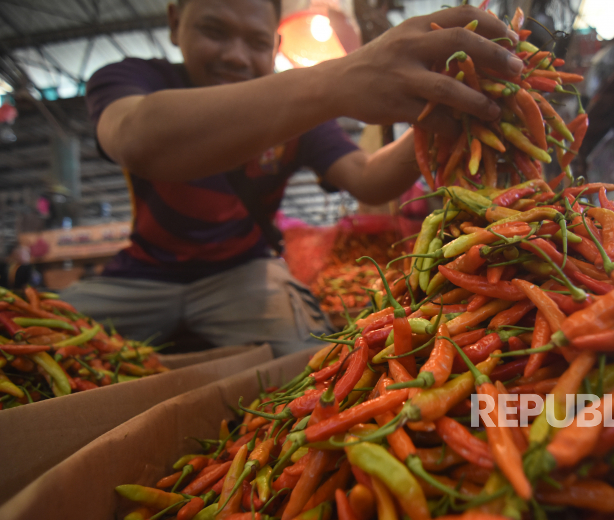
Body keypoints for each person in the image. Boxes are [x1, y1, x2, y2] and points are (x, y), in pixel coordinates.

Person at [61, 0, 523, 356]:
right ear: (174, 22)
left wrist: (436, 116)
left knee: (311, 363)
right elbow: (138, 136)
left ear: (276, 47)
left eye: (257, 42)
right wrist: (338, 79)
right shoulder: (133, 79)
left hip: (244, 273)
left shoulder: (297, 115)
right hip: (142, 275)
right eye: (213, 30)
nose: (236, 56)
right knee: (36, 338)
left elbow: (367, 179)